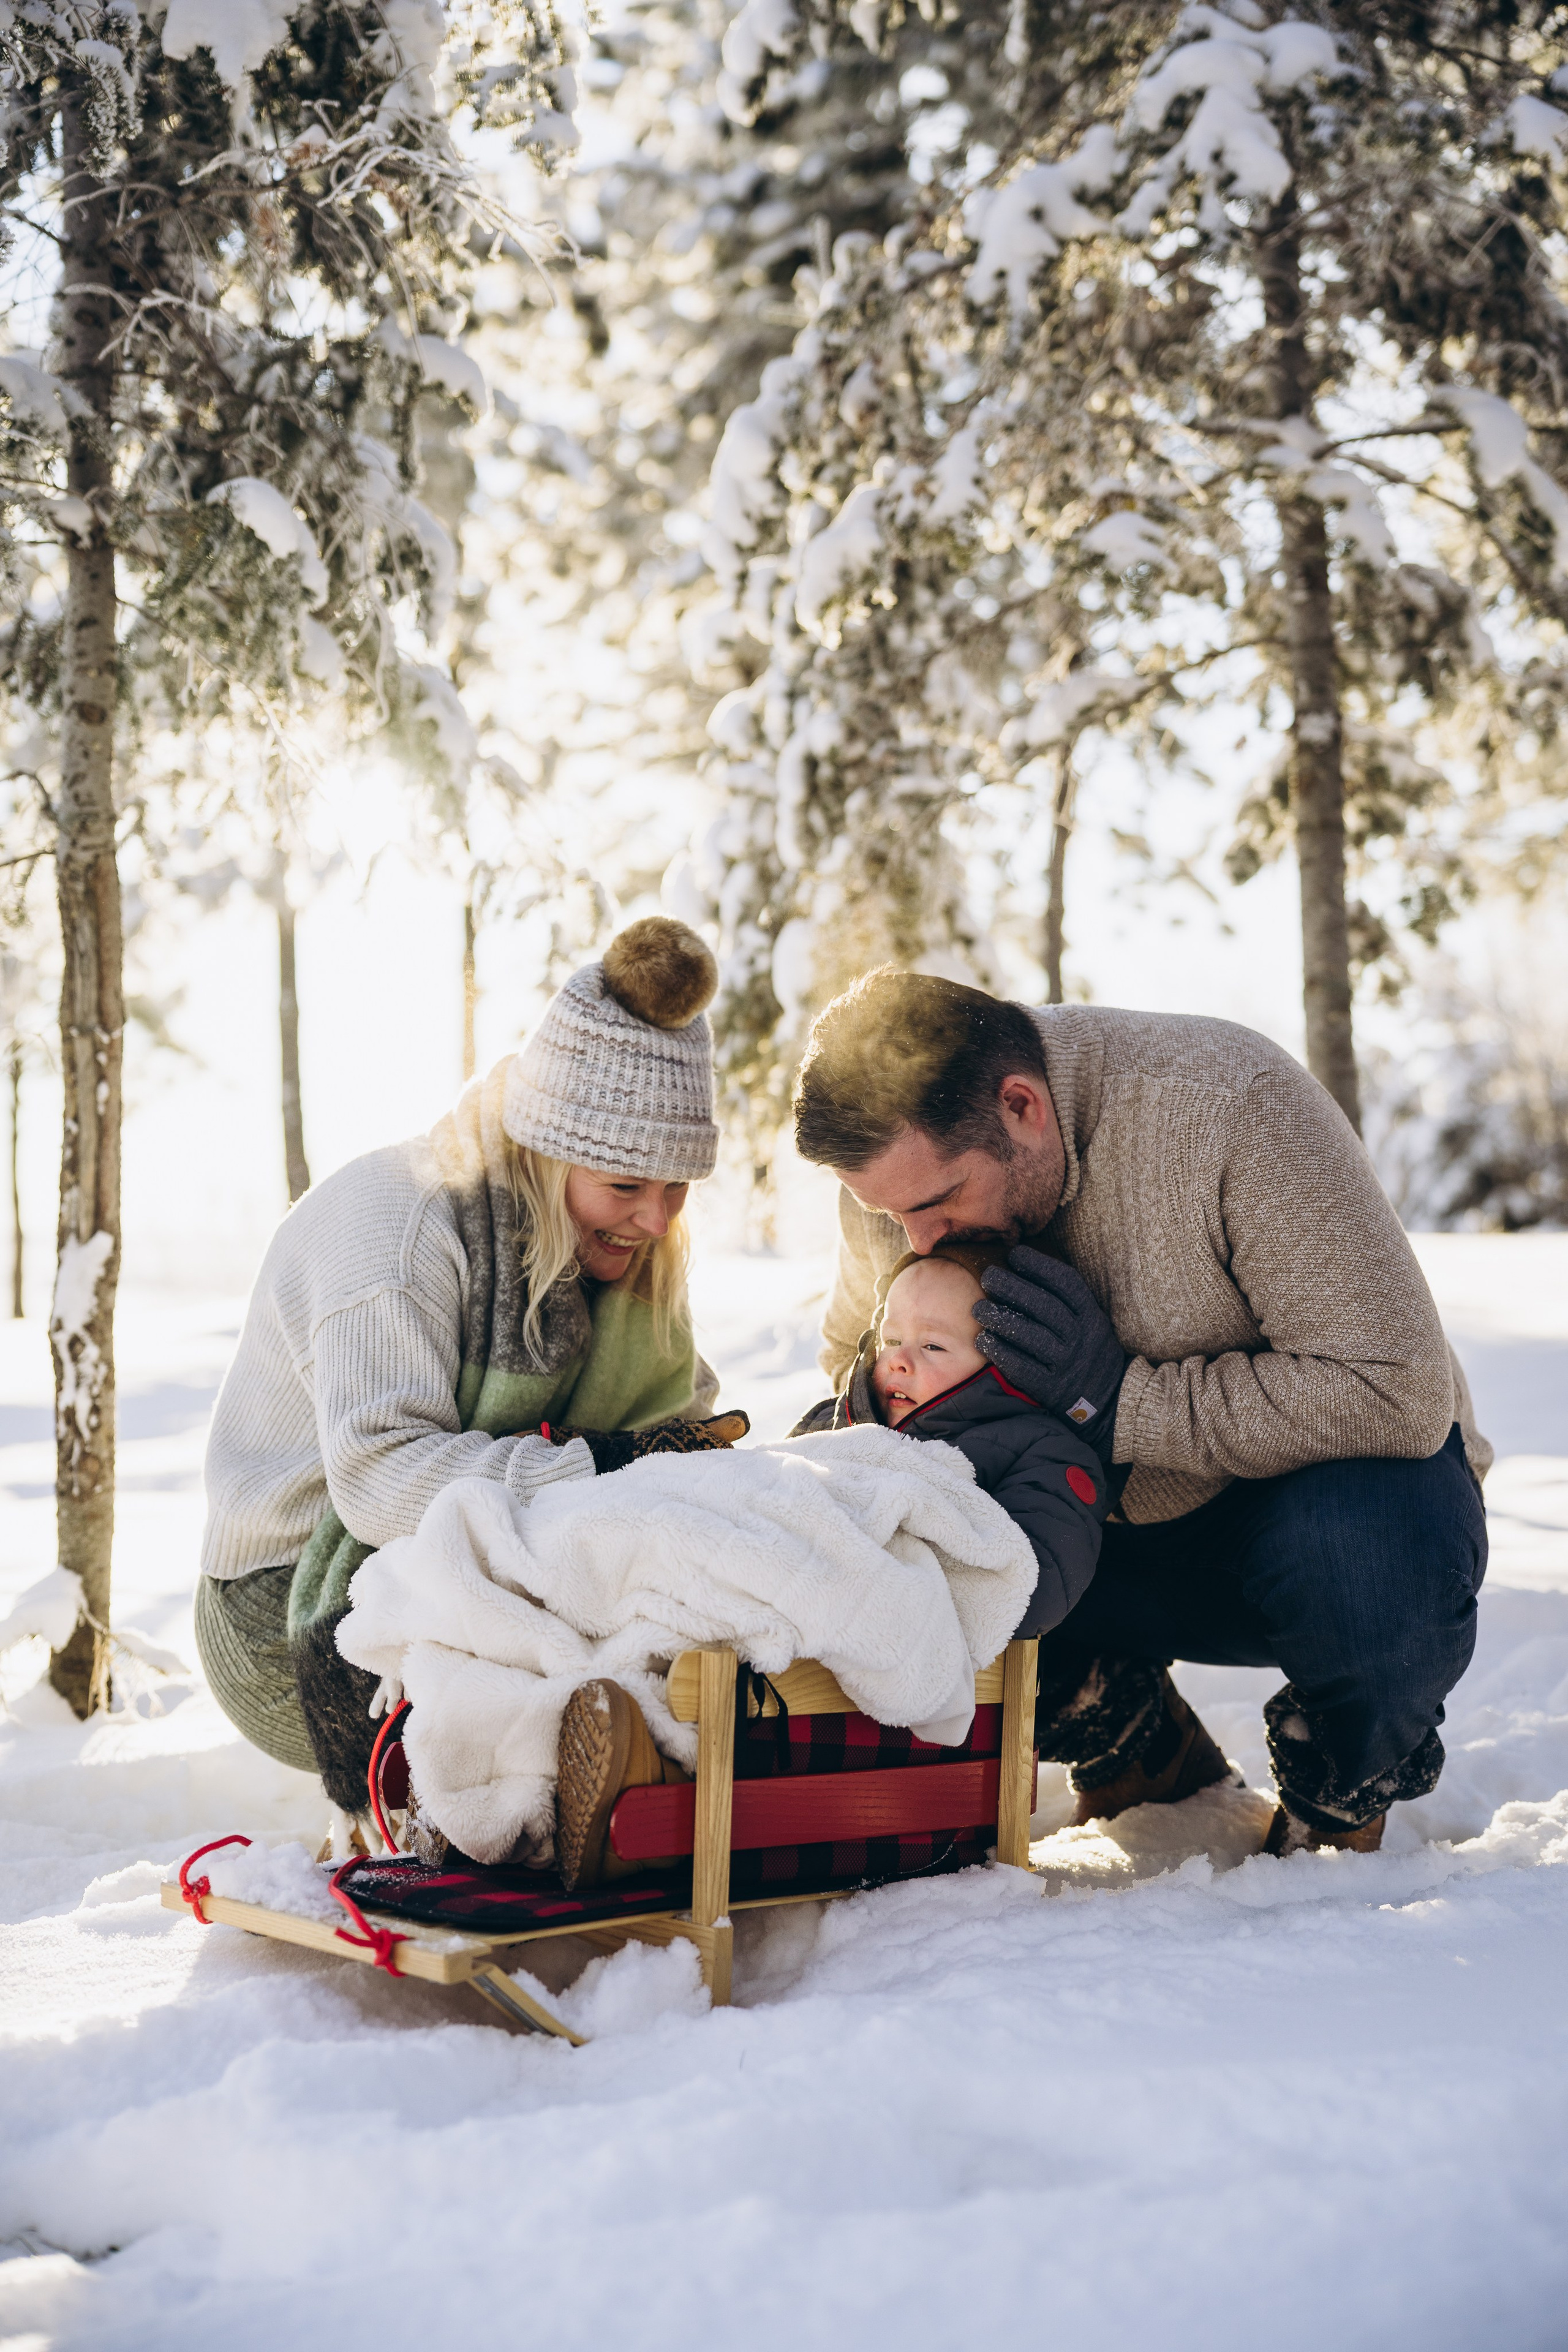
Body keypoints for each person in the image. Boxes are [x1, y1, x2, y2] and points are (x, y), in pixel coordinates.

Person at [791, 967, 1490, 1856]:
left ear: (1021, 1107)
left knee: (1371, 1567)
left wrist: (1121, 1403)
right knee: (895, 1535)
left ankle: (1338, 1794)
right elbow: (852, 1357)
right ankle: (1134, 1742)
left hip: (1287, 1524)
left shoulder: (1229, 1105)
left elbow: (1394, 1388)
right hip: (1081, 1544)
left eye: (936, 1204)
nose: (917, 1239)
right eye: (887, 1214)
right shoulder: (902, 1178)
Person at [195, 918, 745, 1811]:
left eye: (676, 1186)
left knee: (687, 1607)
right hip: (290, 1603)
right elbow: (381, 1482)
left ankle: (644, 1801)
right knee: (568, 1649)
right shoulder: (398, 1224)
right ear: (550, 1151)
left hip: (465, 1561)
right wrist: (604, 1469)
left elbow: (678, 1436)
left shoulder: (625, 1252)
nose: (655, 1219)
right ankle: (537, 1814)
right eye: (625, 1187)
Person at [793, 1243, 1114, 1648]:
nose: (898, 1360)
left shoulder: (1043, 1454)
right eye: (891, 1339)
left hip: (906, 1649)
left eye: (933, 1346)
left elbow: (1031, 1586)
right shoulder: (833, 1422)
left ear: (1008, 1362)